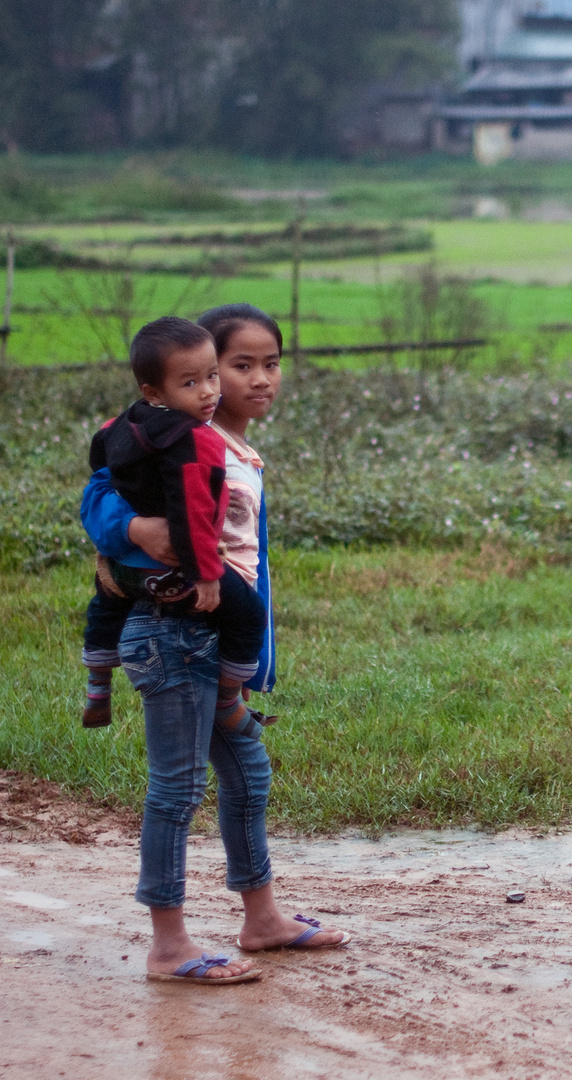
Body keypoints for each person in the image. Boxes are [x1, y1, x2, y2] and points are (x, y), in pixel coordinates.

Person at [81, 304, 350, 985]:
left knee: (248, 773)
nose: (259, 379)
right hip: (175, 636)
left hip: (208, 640)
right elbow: (100, 496)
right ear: (191, 376)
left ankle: (261, 919)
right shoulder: (166, 441)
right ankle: (169, 947)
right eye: (239, 366)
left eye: (272, 364)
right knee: (175, 788)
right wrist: (133, 534)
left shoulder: (231, 449)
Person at [80, 318, 267, 733]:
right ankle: (228, 699)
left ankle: (97, 684)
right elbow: (192, 513)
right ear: (154, 390)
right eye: (190, 383)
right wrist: (205, 575)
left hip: (120, 569)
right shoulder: (197, 440)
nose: (207, 391)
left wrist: (131, 522)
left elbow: (98, 463)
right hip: (175, 572)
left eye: (212, 376)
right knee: (250, 614)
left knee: (105, 601)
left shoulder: (123, 424)